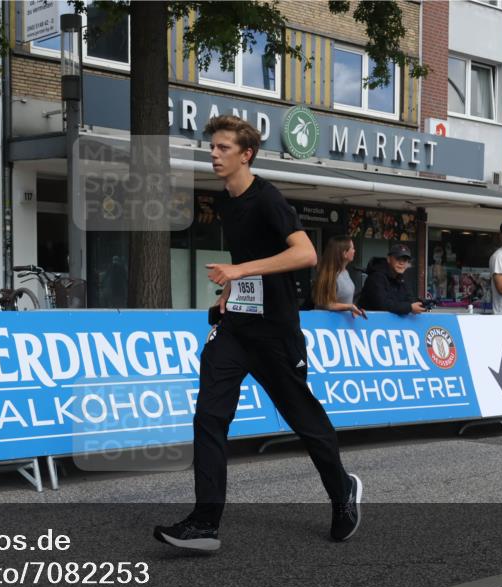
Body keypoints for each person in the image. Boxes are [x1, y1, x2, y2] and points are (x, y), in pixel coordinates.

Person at [154, 115, 361, 551]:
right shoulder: (226, 200)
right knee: (210, 417)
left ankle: (342, 491)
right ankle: (205, 523)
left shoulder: (268, 199)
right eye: (212, 146)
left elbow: (304, 254)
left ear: (245, 154)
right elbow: (245, 257)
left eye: (223, 148)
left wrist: (239, 271)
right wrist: (229, 291)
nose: (213, 153)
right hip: (236, 328)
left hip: (275, 332)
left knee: (304, 420)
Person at [357, 244, 426, 315]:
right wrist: (409, 307)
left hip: (389, 324)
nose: (401, 263)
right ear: (389, 259)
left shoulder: (402, 278)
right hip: (368, 323)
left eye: (405, 260)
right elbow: (382, 305)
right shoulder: (376, 277)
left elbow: (410, 300)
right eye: (398, 258)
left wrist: (420, 305)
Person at [312, 236, 365, 317]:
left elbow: (346, 301)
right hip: (328, 324)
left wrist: (355, 309)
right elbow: (325, 304)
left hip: (343, 325)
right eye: (352, 248)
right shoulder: (330, 275)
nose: (354, 251)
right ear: (344, 253)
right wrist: (349, 307)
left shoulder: (345, 272)